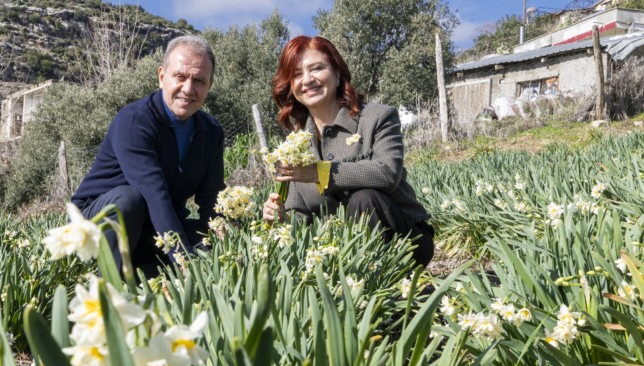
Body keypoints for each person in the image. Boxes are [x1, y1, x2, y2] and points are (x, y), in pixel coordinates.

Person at [261, 35, 434, 267]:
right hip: (337, 253)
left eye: (316, 68)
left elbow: (388, 173)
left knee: (364, 198)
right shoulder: (295, 145)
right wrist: (281, 218)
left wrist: (318, 172)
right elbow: (300, 217)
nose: (307, 80)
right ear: (291, 87)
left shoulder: (377, 117)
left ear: (337, 72)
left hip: (404, 240)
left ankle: (378, 284)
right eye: (297, 74)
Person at [72, 35, 225, 276]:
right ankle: (108, 282)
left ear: (210, 85)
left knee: (212, 238)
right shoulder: (135, 122)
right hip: (98, 223)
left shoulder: (211, 131)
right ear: (162, 76)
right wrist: (185, 264)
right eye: (180, 77)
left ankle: (146, 275)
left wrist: (224, 239)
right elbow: (155, 196)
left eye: (199, 80)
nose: (188, 89)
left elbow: (212, 198)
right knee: (129, 200)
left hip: (153, 227)